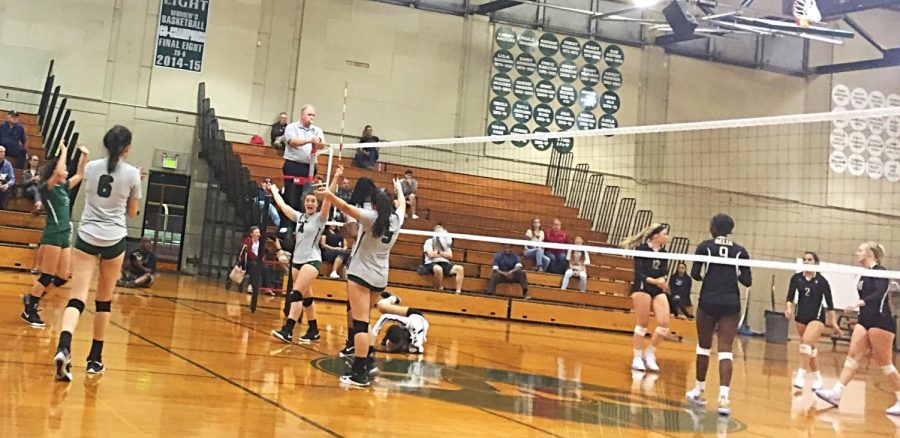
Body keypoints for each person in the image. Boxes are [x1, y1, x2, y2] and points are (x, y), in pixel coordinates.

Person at [53, 125, 142, 381]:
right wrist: (134, 187)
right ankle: (94, 359)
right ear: (127, 148)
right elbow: (132, 213)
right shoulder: (133, 173)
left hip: (87, 235)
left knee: (77, 297)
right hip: (114, 239)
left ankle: (64, 347)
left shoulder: (91, 168)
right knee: (103, 301)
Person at [324, 176, 405, 387]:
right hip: (380, 277)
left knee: (359, 322)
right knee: (363, 318)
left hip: (361, 274)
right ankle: (368, 360)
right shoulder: (396, 220)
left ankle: (359, 373)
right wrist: (400, 190)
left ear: (375, 204)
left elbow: (344, 206)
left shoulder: (371, 217)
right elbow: (403, 205)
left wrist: (328, 195)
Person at [815, 242, 900, 415]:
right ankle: (836, 393)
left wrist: (858, 303)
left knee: (884, 364)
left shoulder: (881, 272)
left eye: (860, 250)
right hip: (864, 319)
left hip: (881, 320)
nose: (856, 253)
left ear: (870, 254)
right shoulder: (863, 275)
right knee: (852, 357)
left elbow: (879, 293)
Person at [685, 214, 752, 416]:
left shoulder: (705, 246)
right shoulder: (740, 251)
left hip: (708, 300)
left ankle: (699, 390)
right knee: (725, 350)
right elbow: (747, 281)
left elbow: (695, 274)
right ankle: (724, 398)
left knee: (704, 347)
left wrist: (710, 276)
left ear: (714, 227)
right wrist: (735, 273)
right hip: (730, 302)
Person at [269, 166, 341, 344]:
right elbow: (283, 205)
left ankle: (288, 330)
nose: (310, 203)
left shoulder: (320, 218)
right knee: (307, 299)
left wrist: (336, 178)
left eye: (313, 201)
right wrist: (273, 190)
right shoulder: (299, 217)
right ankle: (314, 330)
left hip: (312, 260)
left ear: (316, 204)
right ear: (304, 202)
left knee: (296, 294)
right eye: (308, 200)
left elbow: (328, 200)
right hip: (297, 261)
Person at [20, 143, 88, 328]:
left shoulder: (63, 188)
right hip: (53, 234)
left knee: (63, 276)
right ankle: (30, 310)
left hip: (64, 235)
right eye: (64, 167)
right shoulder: (46, 188)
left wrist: (84, 157)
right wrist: (64, 152)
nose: (65, 170)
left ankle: (32, 298)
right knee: (47, 275)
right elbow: (58, 172)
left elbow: (81, 175)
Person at [621, 224, 671, 373]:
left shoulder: (664, 252)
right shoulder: (642, 249)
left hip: (656, 288)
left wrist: (662, 280)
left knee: (664, 323)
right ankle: (637, 357)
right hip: (642, 286)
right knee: (643, 323)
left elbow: (664, 271)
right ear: (655, 236)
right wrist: (656, 281)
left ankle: (649, 352)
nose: (667, 237)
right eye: (665, 234)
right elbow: (639, 273)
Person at [785, 251, 836, 391]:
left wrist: (834, 323)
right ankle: (818, 379)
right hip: (800, 317)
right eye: (805, 260)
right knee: (809, 348)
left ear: (815, 263)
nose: (807, 262)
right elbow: (789, 297)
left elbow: (830, 304)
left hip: (817, 317)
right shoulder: (796, 278)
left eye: (810, 260)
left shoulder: (822, 281)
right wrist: (788, 309)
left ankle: (800, 376)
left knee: (806, 342)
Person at [282, 104, 326, 211]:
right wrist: (309, 140)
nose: (312, 117)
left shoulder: (317, 130)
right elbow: (292, 142)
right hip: (293, 165)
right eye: (309, 114)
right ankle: (288, 224)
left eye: (313, 115)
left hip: (309, 167)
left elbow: (322, 144)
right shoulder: (291, 127)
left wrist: (318, 142)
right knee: (291, 197)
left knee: (307, 196)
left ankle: (303, 222)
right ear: (302, 115)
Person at [422, 224, 464, 294]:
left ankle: (458, 293)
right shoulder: (429, 241)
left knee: (460, 269)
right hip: (431, 263)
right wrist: (443, 254)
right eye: (437, 229)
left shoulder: (445, 242)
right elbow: (431, 255)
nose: (438, 231)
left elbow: (450, 255)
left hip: (445, 263)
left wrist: (438, 252)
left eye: (440, 229)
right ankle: (439, 289)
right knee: (438, 269)